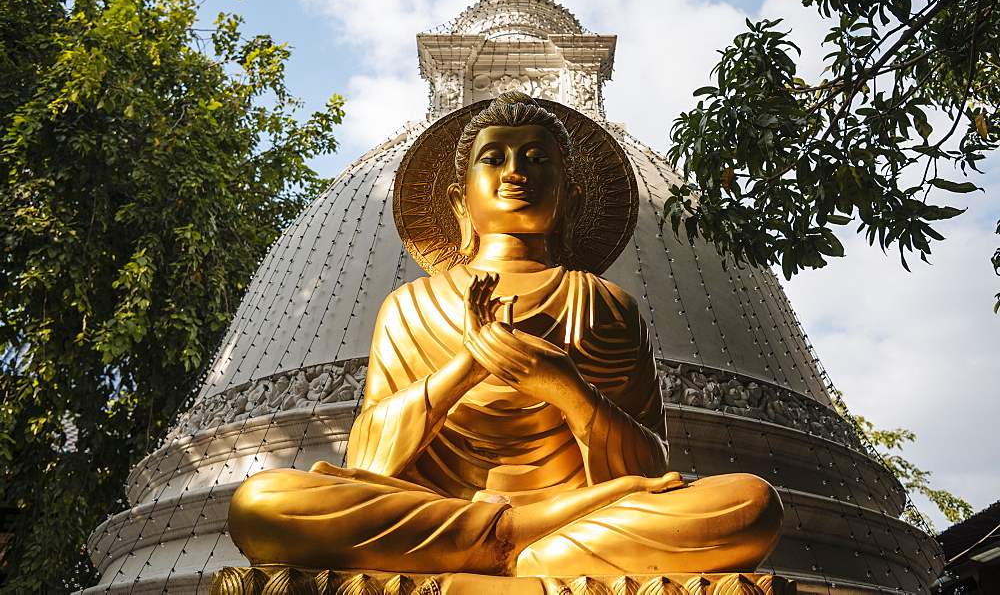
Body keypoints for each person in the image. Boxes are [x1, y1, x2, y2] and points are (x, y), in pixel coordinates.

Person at [228, 92, 783, 577]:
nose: (515, 172)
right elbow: (370, 462)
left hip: (575, 511)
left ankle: (494, 546)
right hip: (453, 510)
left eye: (537, 159)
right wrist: (468, 366)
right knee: (262, 502)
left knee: (750, 504)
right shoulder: (412, 305)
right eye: (493, 158)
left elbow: (647, 471)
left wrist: (565, 387)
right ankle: (523, 542)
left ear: (571, 195)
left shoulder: (606, 304)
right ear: (458, 200)